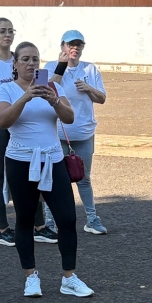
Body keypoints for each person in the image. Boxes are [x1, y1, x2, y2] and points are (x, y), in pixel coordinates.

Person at [0, 42, 94, 299]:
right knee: (25, 220)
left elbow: (69, 117)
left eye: (35, 60)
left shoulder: (53, 87)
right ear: (15, 64)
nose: (31, 64)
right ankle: (31, 276)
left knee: (67, 218)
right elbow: (2, 121)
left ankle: (69, 277)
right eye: (25, 59)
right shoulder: (6, 89)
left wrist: (54, 100)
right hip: (20, 161)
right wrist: (25, 97)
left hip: (53, 159)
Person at [0, 17, 55, 246]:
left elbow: (41, 86)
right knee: (0, 175)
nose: (7, 35)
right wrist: (6, 120)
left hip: (26, 124)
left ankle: (39, 226)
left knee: (33, 171)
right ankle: (4, 229)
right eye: (2, 31)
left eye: (10, 31)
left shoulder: (22, 58)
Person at [46, 30, 109, 235]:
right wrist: (61, 66)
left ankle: (92, 219)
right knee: (53, 179)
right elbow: (46, 89)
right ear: (62, 46)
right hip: (57, 134)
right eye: (70, 44)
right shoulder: (50, 66)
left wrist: (89, 88)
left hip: (84, 134)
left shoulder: (90, 69)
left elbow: (102, 98)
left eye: (78, 45)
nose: (74, 48)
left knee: (84, 178)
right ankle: (49, 222)